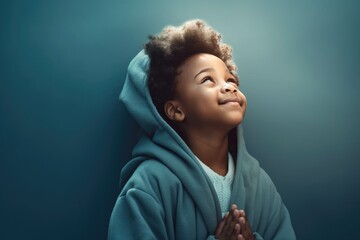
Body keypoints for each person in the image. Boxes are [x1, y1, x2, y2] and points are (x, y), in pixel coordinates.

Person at [108, 20, 296, 240]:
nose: (229, 86)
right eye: (208, 79)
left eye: (230, 79)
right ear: (176, 110)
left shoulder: (260, 186)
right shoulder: (150, 183)